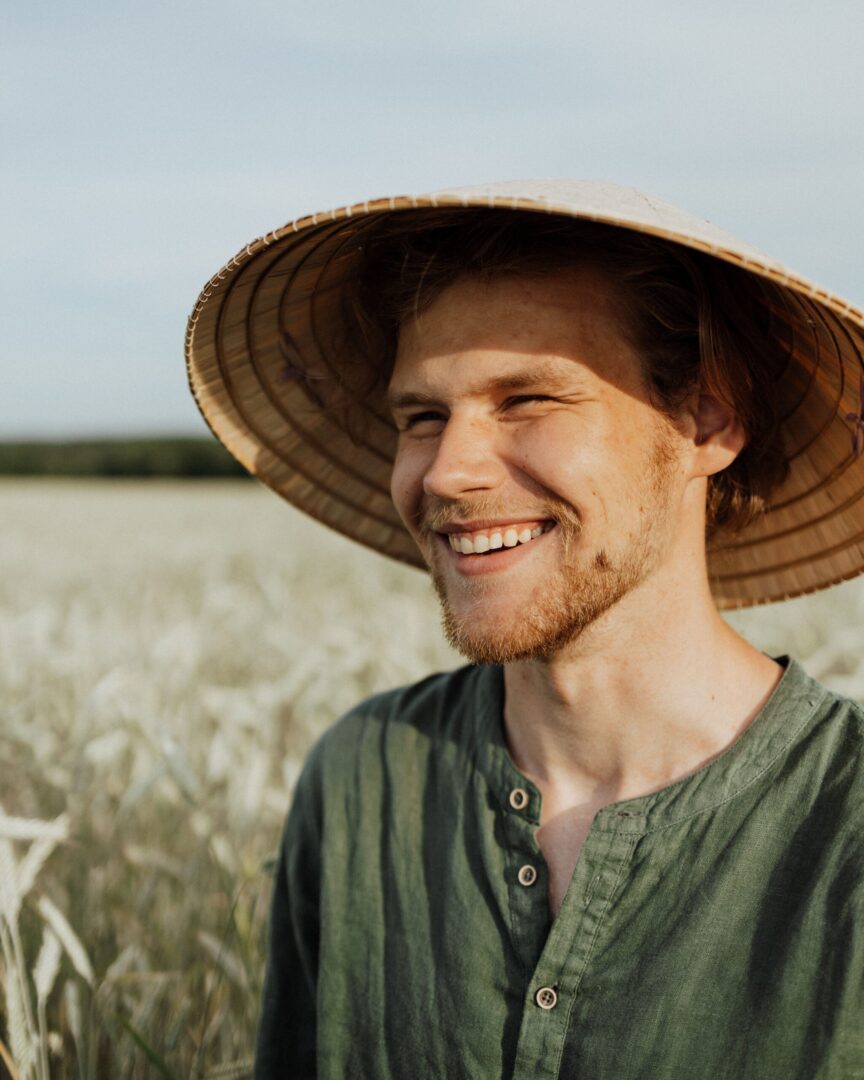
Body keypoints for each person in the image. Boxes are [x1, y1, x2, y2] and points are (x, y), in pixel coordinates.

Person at [186, 182, 864, 1079]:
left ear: (707, 419)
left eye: (529, 399)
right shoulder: (362, 783)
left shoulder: (841, 830)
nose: (449, 474)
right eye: (422, 417)